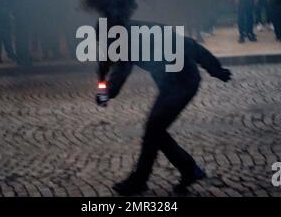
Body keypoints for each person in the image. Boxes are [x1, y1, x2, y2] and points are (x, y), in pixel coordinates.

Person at [97, 20, 232, 196]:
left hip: (183, 83)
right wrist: (103, 81)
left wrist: (217, 70)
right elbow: (111, 63)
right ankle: (188, 169)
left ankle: (141, 180)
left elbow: (190, 46)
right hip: (172, 85)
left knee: (153, 130)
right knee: (156, 131)